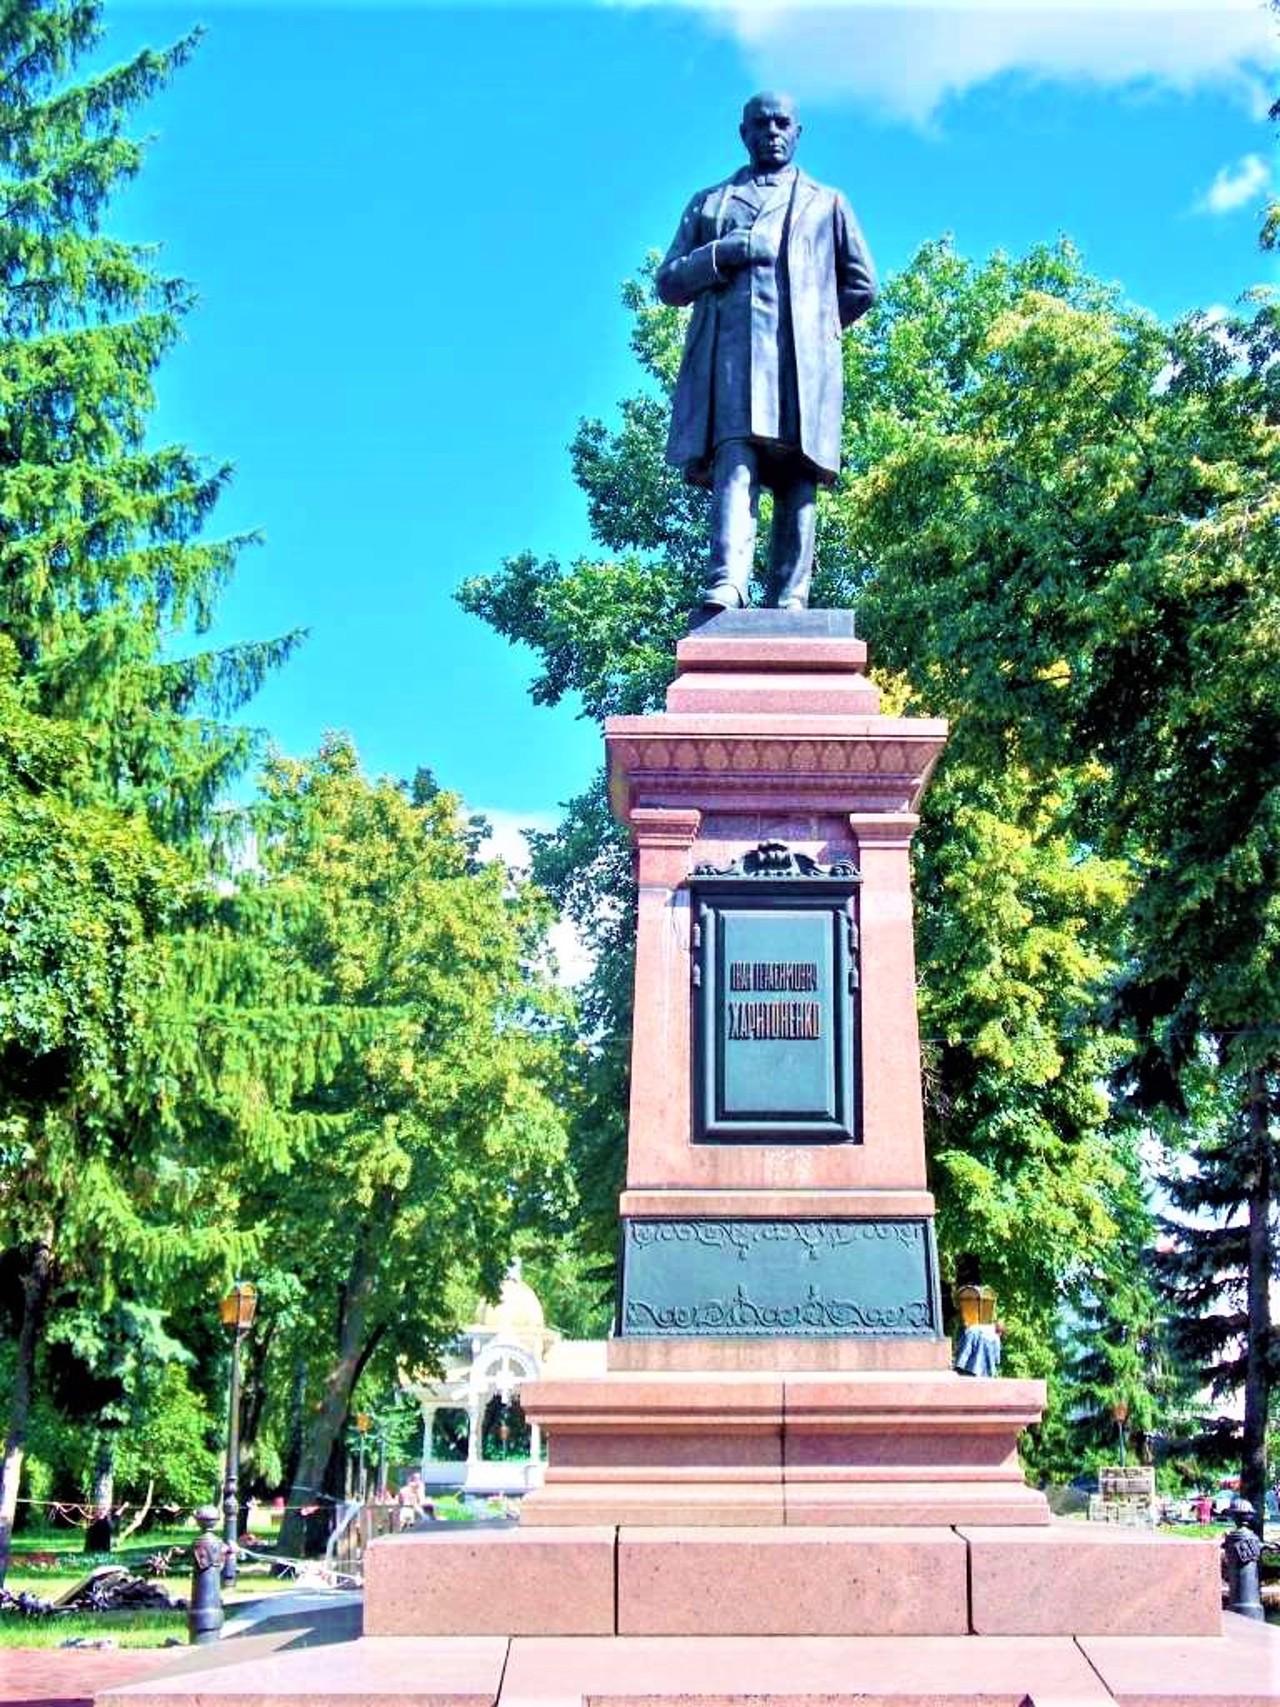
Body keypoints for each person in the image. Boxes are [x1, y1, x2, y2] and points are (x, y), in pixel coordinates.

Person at [657, 92, 877, 613]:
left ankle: (792, 597)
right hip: (732, 361)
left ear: (799, 131)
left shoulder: (827, 203)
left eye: (782, 123)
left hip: (803, 364)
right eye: (761, 123)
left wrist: (816, 330)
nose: (771, 131)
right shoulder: (709, 203)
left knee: (800, 473)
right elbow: (668, 283)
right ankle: (728, 583)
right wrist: (719, 253)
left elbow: (862, 285)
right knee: (737, 461)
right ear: (743, 133)